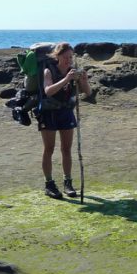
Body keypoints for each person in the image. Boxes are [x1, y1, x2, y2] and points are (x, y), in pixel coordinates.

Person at [38, 42, 91, 199]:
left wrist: (84, 80)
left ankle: (68, 183)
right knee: (49, 149)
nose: (69, 60)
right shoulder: (49, 71)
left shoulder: (73, 71)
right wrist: (66, 79)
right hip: (48, 112)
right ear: (58, 56)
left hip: (66, 112)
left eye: (71, 57)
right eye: (66, 57)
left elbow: (87, 93)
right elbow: (48, 91)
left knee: (66, 149)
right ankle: (49, 184)